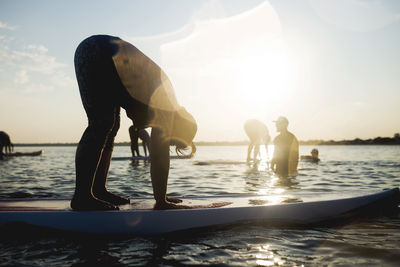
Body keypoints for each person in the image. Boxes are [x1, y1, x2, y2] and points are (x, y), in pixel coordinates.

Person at [71, 35, 197, 211]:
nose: (166, 142)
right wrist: (161, 201)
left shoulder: (167, 103)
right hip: (98, 52)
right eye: (172, 140)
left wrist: (162, 197)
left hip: (96, 53)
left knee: (110, 126)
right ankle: (83, 197)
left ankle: (97, 190)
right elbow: (159, 155)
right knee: (102, 123)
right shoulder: (168, 105)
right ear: (179, 128)